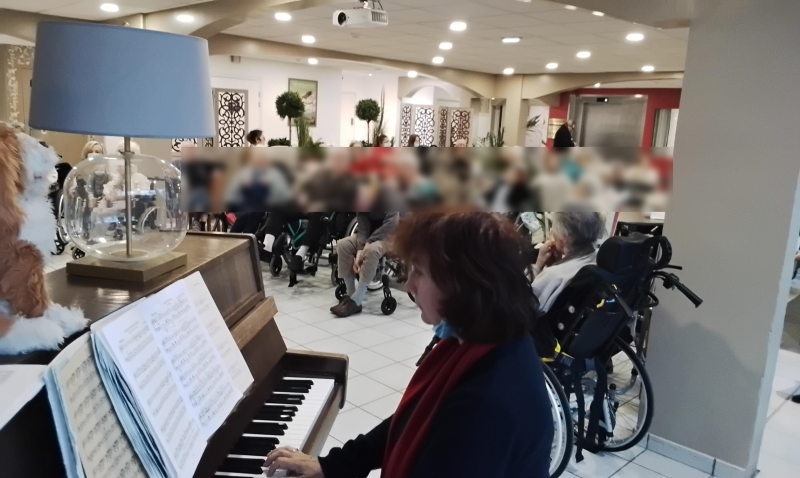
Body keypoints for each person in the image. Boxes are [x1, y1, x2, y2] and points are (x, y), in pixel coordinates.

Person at [265, 212, 553, 478]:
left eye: (420, 272)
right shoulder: (481, 339)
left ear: (462, 284)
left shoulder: (486, 407)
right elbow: (412, 419)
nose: (409, 284)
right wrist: (333, 465)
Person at [532, 211, 606, 312]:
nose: (552, 233)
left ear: (567, 237)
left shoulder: (554, 275)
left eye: (554, 229)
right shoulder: (601, 258)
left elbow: (521, 305)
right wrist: (559, 263)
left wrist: (538, 265)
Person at [330, 213, 399, 317]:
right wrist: (360, 250)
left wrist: (368, 243)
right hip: (371, 234)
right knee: (343, 245)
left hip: (392, 234)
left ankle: (357, 300)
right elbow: (363, 227)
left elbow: (392, 222)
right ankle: (351, 295)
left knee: (372, 250)